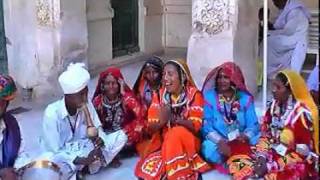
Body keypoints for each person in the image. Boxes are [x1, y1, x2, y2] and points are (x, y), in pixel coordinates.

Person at [40, 63, 127, 180]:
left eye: (86, 93)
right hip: (66, 156)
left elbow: (98, 128)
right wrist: (82, 160)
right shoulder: (52, 113)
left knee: (121, 137)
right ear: (68, 96)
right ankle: (82, 170)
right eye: (81, 94)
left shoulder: (86, 104)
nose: (85, 98)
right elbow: (54, 151)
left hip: (85, 148)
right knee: (51, 168)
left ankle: (85, 169)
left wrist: (100, 140)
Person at [135, 60, 210, 180]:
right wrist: (162, 122)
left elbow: (196, 127)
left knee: (175, 133)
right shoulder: (159, 95)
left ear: (182, 76)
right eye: (164, 74)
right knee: (150, 169)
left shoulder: (194, 95)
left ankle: (175, 173)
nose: (165, 78)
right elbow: (151, 127)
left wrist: (175, 119)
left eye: (170, 74)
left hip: (188, 141)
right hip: (164, 142)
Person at [253, 70, 319, 179]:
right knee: (242, 162)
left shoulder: (300, 115)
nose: (273, 90)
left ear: (290, 91)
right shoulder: (273, 106)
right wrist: (261, 157)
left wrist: (270, 166)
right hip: (274, 151)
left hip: (296, 159)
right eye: (273, 86)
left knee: (284, 175)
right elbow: (266, 134)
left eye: (278, 87)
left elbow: (302, 153)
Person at [201, 62, 260, 179]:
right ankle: (238, 160)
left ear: (234, 79)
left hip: (241, 139)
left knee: (259, 141)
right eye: (219, 77)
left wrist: (246, 136)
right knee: (207, 148)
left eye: (226, 77)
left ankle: (236, 159)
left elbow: (253, 124)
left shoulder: (245, 98)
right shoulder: (209, 97)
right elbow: (206, 126)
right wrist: (220, 141)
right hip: (219, 142)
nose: (221, 80)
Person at [92, 67, 144, 167]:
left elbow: (140, 113)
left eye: (114, 83)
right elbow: (93, 122)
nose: (111, 86)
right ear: (102, 85)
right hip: (107, 137)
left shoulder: (126, 98)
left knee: (139, 125)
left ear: (119, 84)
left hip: (125, 136)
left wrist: (124, 93)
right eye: (107, 83)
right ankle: (111, 156)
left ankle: (111, 156)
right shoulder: (98, 101)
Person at [267, 0, 310, 78]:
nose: (274, 4)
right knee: (268, 42)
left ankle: (274, 72)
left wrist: (270, 33)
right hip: (293, 39)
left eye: (275, 1)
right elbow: (280, 27)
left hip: (295, 40)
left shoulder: (295, 11)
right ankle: (275, 73)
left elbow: (288, 31)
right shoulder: (288, 10)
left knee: (268, 43)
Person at [132, 56, 164, 157]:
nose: (151, 76)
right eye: (148, 73)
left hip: (161, 121)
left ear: (161, 73)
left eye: (154, 72)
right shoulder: (142, 87)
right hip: (146, 120)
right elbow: (137, 107)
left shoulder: (166, 87)